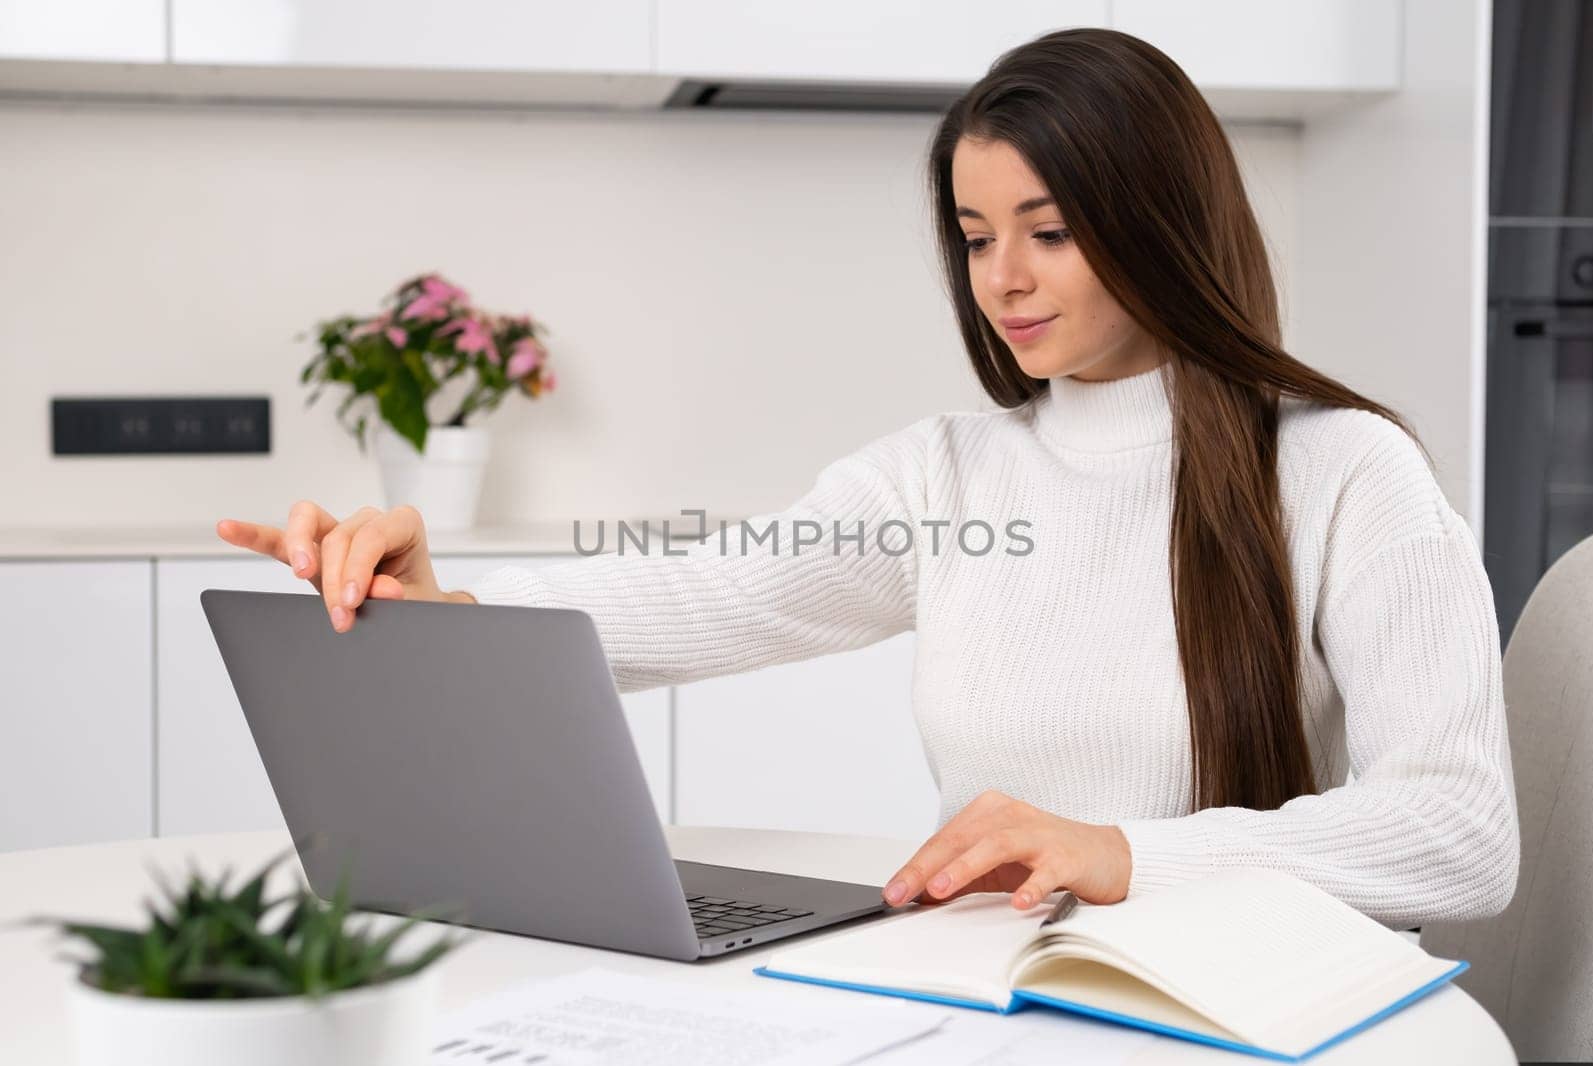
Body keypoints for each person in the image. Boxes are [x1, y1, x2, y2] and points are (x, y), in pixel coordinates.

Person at [217, 28, 1518, 929]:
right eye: (973, 237)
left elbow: (1462, 832)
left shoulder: (1350, 471)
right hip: (1011, 995)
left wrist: (1123, 854)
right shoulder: (943, 477)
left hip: (1256, 1011)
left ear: (1163, 222)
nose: (1001, 278)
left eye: (1049, 232)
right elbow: (708, 587)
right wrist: (454, 610)